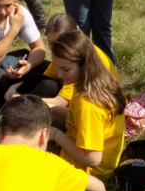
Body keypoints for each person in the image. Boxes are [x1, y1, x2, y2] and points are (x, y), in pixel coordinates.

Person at [6, 13, 119, 128]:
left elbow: (60, 102)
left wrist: (24, 100)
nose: (54, 47)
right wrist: (14, 88)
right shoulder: (67, 57)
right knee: (38, 76)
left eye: (59, 42)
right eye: (50, 43)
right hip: (76, 109)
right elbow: (45, 77)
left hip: (90, 115)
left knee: (47, 86)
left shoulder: (77, 62)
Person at [48, 30, 126, 182]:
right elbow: (78, 118)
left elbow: (92, 159)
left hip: (89, 171)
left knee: (24, 144)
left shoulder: (88, 104)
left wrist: (55, 135)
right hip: (100, 161)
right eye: (57, 67)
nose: (59, 75)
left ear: (84, 64)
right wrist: (51, 108)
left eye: (65, 69)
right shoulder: (95, 81)